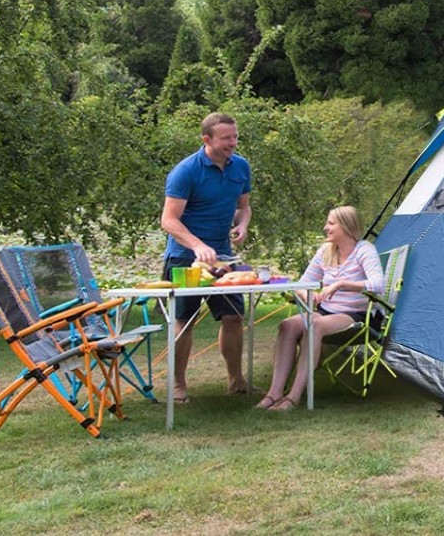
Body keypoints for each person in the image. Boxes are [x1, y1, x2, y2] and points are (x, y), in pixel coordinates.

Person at [160, 112, 252, 403]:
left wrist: (242, 224)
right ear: (207, 139)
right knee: (184, 320)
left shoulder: (241, 167)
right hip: (184, 257)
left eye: (235, 137)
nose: (233, 143)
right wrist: (197, 245)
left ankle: (236, 380)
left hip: (223, 258)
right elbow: (169, 220)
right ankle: (177, 385)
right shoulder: (185, 171)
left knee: (233, 317)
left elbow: (244, 207)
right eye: (226, 138)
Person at [257, 206, 385, 411]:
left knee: (315, 325)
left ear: (346, 226)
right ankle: (274, 393)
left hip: (355, 315)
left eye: (331, 223)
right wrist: (310, 296)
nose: (326, 227)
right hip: (325, 311)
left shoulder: (364, 250)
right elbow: (302, 284)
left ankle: (294, 397)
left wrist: (341, 284)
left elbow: (379, 284)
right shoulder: (325, 251)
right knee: (287, 325)